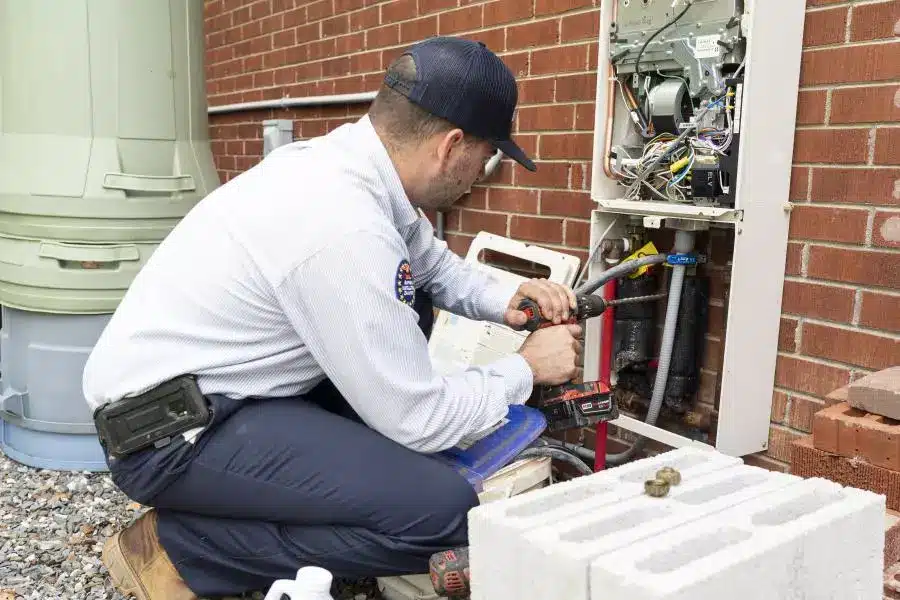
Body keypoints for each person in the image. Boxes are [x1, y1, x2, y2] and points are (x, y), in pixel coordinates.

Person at [83, 36, 584, 600]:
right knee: (442, 513)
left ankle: (282, 507)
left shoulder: (355, 171)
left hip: (217, 394)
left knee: (411, 300)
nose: (481, 171)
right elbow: (420, 418)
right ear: (451, 146)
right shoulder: (342, 225)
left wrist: (511, 296)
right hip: (172, 437)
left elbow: (433, 266)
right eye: (487, 154)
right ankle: (184, 549)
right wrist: (524, 370)